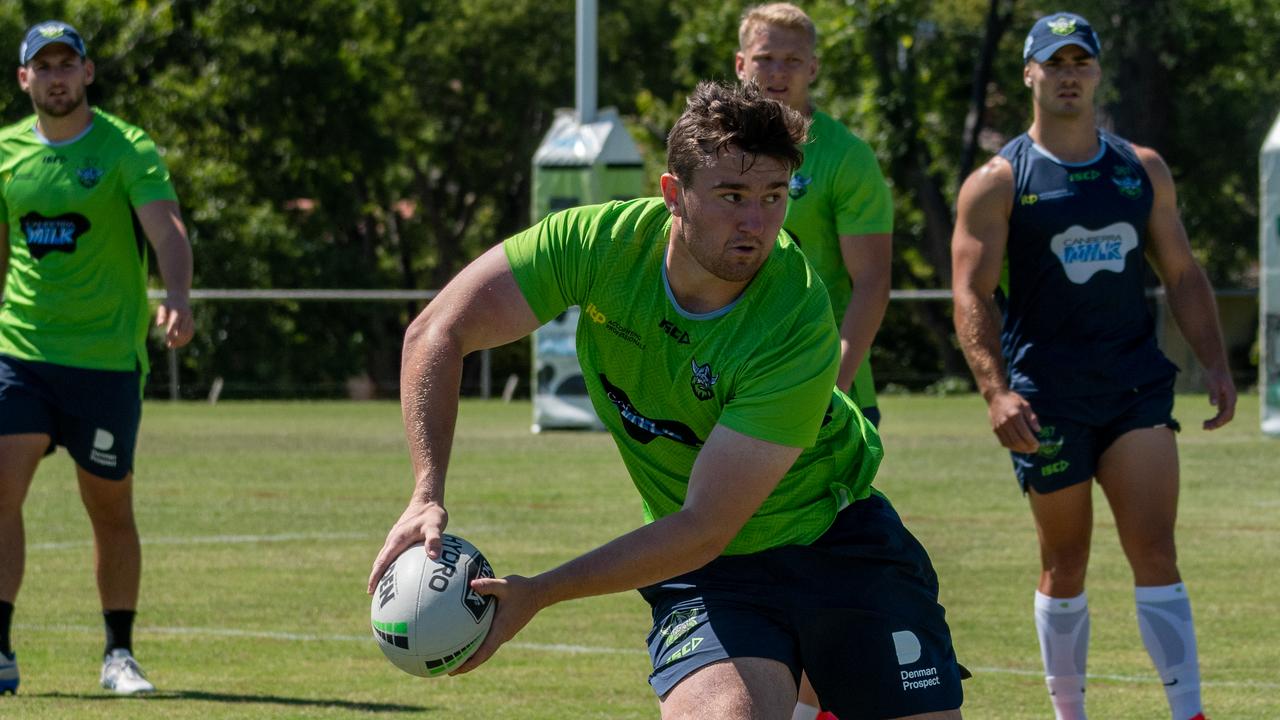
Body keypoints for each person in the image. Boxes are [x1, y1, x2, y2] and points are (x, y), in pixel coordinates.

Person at [369, 81, 963, 720]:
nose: (756, 224)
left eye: (773, 197)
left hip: (834, 541)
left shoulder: (794, 319)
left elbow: (706, 524)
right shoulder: (598, 245)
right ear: (674, 195)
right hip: (716, 576)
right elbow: (438, 330)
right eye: (732, 196)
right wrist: (425, 490)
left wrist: (540, 592)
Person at [950, 12, 1234, 720]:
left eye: (1081, 61)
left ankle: (1189, 712)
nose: (1069, 73)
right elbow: (972, 294)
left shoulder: (1141, 169)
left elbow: (1184, 273)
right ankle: (1069, 714)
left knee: (1156, 553)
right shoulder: (998, 180)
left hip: (1134, 388)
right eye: (1055, 62)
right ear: (1030, 73)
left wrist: (1218, 366)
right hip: (1048, 401)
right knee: (1065, 563)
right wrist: (995, 393)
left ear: (1097, 73)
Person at [0, 20, 195, 696]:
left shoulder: (124, 148)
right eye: (42, 66)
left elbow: (165, 227)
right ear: (24, 78)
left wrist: (176, 296)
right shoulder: (5, 154)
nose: (55, 76)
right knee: (0, 491)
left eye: (66, 63)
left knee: (109, 509)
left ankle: (119, 654)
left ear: (87, 73)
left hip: (106, 363)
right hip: (20, 353)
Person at [734, 3, 893, 430]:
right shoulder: (713, 151)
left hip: (825, 379)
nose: (777, 73)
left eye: (793, 61)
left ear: (814, 68)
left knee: (838, 501)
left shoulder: (847, 156)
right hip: (727, 373)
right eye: (765, 59)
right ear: (741, 64)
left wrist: (831, 386)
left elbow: (873, 282)